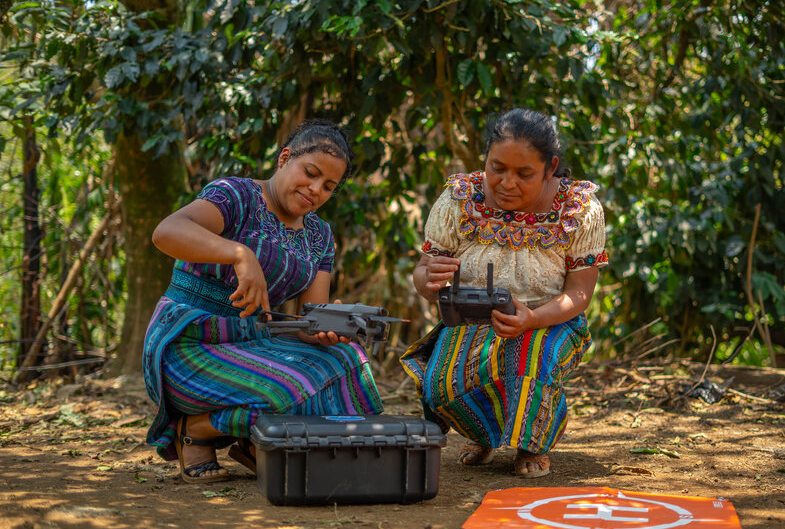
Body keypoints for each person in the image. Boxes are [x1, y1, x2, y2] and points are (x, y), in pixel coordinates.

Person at [142, 119, 383, 484]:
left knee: (351, 365)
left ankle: (253, 443)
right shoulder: (235, 195)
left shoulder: (320, 236)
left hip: (253, 344)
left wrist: (329, 329)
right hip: (188, 343)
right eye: (311, 173)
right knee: (293, 386)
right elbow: (166, 232)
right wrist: (240, 254)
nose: (315, 189)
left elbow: (308, 322)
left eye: (328, 186)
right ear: (285, 158)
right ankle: (195, 428)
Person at [400, 108, 607, 478]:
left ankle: (532, 445)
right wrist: (428, 278)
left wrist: (533, 318)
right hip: (471, 319)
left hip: (550, 322)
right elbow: (423, 275)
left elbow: (579, 293)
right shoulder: (458, 200)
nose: (506, 182)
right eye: (497, 168)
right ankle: (486, 434)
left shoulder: (579, 209)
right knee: (442, 387)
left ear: (550, 167)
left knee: (529, 363)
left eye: (524, 173)